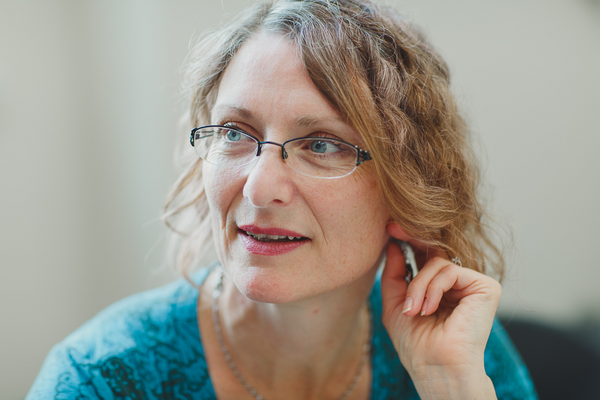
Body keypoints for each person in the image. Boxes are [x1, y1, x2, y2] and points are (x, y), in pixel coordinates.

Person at [27, 0, 537, 399]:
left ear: (408, 192)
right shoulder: (100, 379)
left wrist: (450, 389)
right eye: (234, 132)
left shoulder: (461, 354)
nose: (257, 187)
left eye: (321, 144)